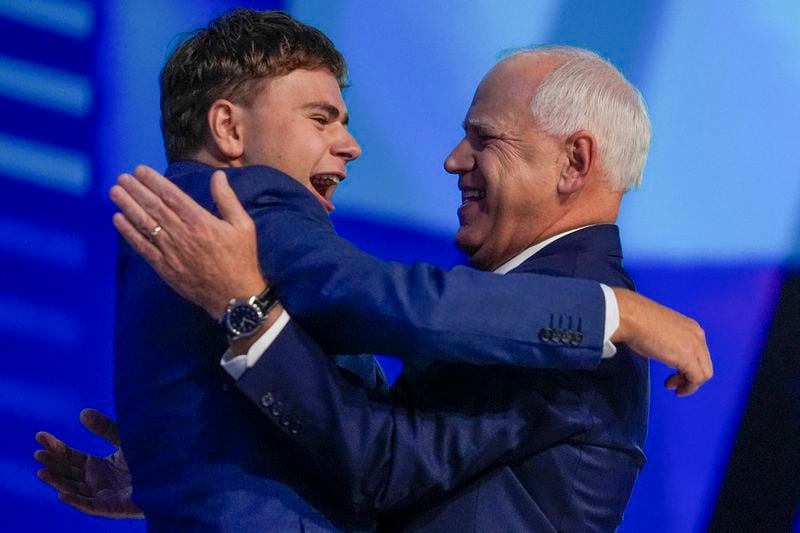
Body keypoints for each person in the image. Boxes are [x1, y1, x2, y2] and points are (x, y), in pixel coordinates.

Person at [35, 9, 711, 531]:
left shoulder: (565, 321)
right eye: (321, 117)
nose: (452, 160)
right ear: (229, 129)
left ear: (574, 162)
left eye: (484, 139)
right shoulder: (243, 204)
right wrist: (196, 451)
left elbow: (381, 456)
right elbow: (387, 333)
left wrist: (206, 449)